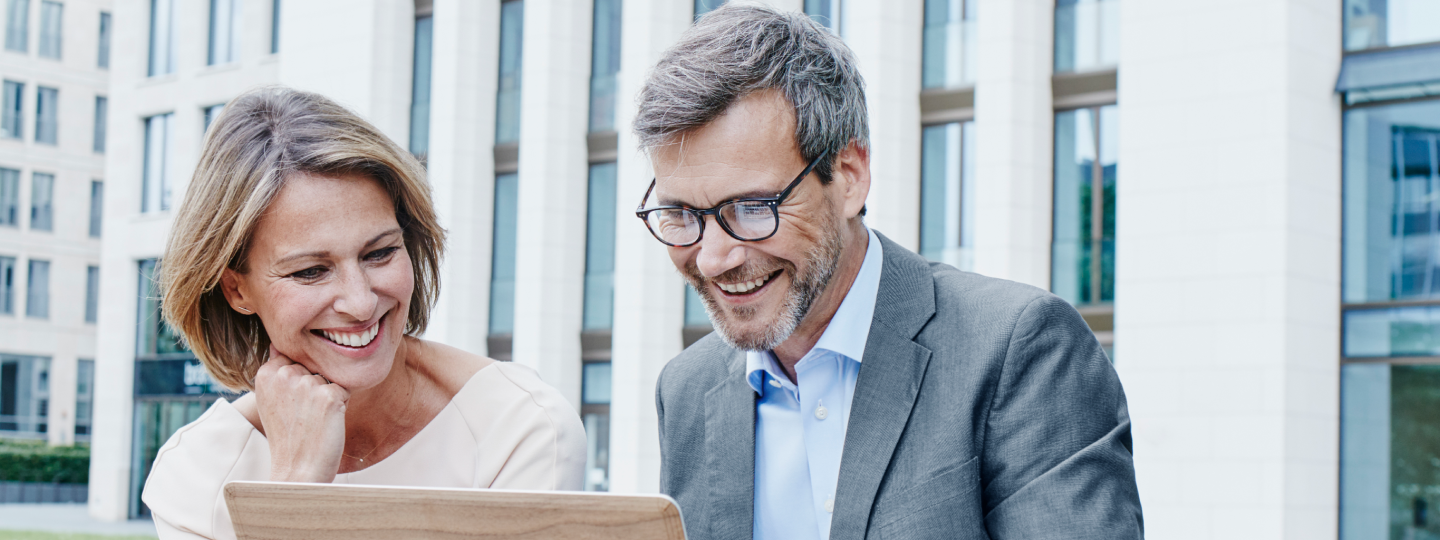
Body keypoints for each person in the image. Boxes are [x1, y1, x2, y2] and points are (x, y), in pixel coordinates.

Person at [639, 5, 1143, 540]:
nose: (715, 258)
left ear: (850, 177)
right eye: (680, 215)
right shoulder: (685, 389)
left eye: (753, 208)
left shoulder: (1021, 351)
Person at [141, 87, 587, 540]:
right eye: (311, 271)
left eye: (379, 253)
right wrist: (296, 485)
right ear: (237, 289)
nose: (360, 303)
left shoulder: (519, 429)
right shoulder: (196, 472)